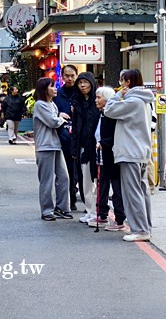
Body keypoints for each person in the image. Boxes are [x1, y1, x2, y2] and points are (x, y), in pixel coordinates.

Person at [103, 69, 155, 242]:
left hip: (130, 152)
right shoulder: (145, 101)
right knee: (141, 190)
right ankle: (145, 226)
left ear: (127, 82)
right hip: (140, 152)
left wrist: (117, 96)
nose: (120, 84)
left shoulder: (133, 102)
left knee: (132, 192)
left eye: (121, 81)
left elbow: (108, 110)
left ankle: (140, 229)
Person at [31, 77, 73, 221]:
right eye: (52, 86)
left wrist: (59, 116)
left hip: (56, 145)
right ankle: (47, 210)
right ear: (44, 89)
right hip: (45, 146)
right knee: (47, 180)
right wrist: (61, 118)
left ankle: (62, 207)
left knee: (64, 177)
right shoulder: (40, 104)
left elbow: (55, 119)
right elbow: (52, 122)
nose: (55, 89)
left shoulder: (52, 105)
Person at [92, 86, 127, 231]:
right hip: (102, 156)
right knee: (102, 185)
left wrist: (103, 143)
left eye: (99, 97)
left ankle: (120, 220)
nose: (96, 100)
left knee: (116, 188)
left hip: (112, 157)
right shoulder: (100, 115)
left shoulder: (112, 117)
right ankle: (102, 214)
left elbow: (115, 137)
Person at [71, 72, 99, 220]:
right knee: (86, 181)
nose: (82, 85)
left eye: (85, 82)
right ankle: (90, 211)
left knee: (98, 181)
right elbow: (75, 129)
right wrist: (74, 149)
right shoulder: (76, 103)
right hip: (83, 147)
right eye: (80, 83)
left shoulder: (98, 102)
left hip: (97, 147)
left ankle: (99, 211)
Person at [56, 64, 79, 210]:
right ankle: (70, 200)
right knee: (67, 170)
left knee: (80, 171)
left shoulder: (82, 92)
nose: (69, 79)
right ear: (62, 77)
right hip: (63, 137)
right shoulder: (57, 95)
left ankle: (86, 201)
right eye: (67, 76)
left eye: (72, 76)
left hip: (81, 137)